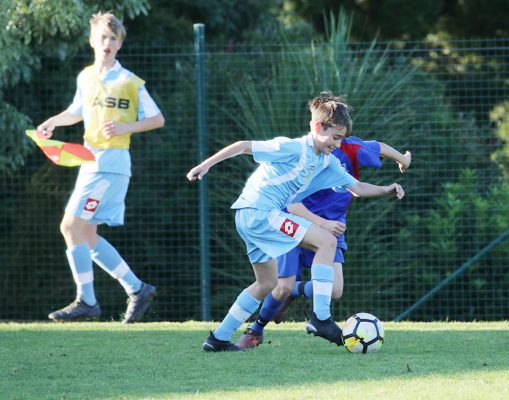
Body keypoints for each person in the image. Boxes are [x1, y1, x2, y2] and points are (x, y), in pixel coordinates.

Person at [186, 92, 405, 352]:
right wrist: (206, 164)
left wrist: (386, 189)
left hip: (252, 216)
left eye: (341, 139)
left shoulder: (326, 162)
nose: (337, 144)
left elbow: (356, 187)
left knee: (266, 283)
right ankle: (321, 318)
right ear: (316, 127)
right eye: (334, 137)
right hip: (260, 212)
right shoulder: (293, 148)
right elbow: (244, 145)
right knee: (326, 241)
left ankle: (218, 338)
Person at [37, 12, 165, 323]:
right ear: (92, 41)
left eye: (113, 38)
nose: (107, 43)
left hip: (110, 163)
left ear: (120, 44)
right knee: (88, 235)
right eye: (102, 37)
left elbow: (157, 118)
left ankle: (87, 301)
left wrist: (126, 128)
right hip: (90, 162)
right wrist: (53, 121)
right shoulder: (86, 77)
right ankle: (137, 289)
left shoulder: (129, 81)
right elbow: (76, 111)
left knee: (71, 227)